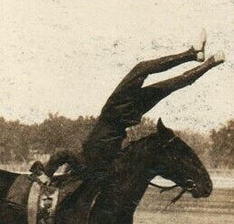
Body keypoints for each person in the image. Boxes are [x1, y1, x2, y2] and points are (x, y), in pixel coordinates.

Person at [44, 32, 224, 179]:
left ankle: (207, 61)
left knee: (167, 85)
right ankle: (194, 55)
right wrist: (47, 174)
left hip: (124, 117)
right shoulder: (94, 163)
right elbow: (63, 155)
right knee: (145, 72)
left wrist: (48, 174)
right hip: (115, 113)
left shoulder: (96, 164)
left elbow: (64, 156)